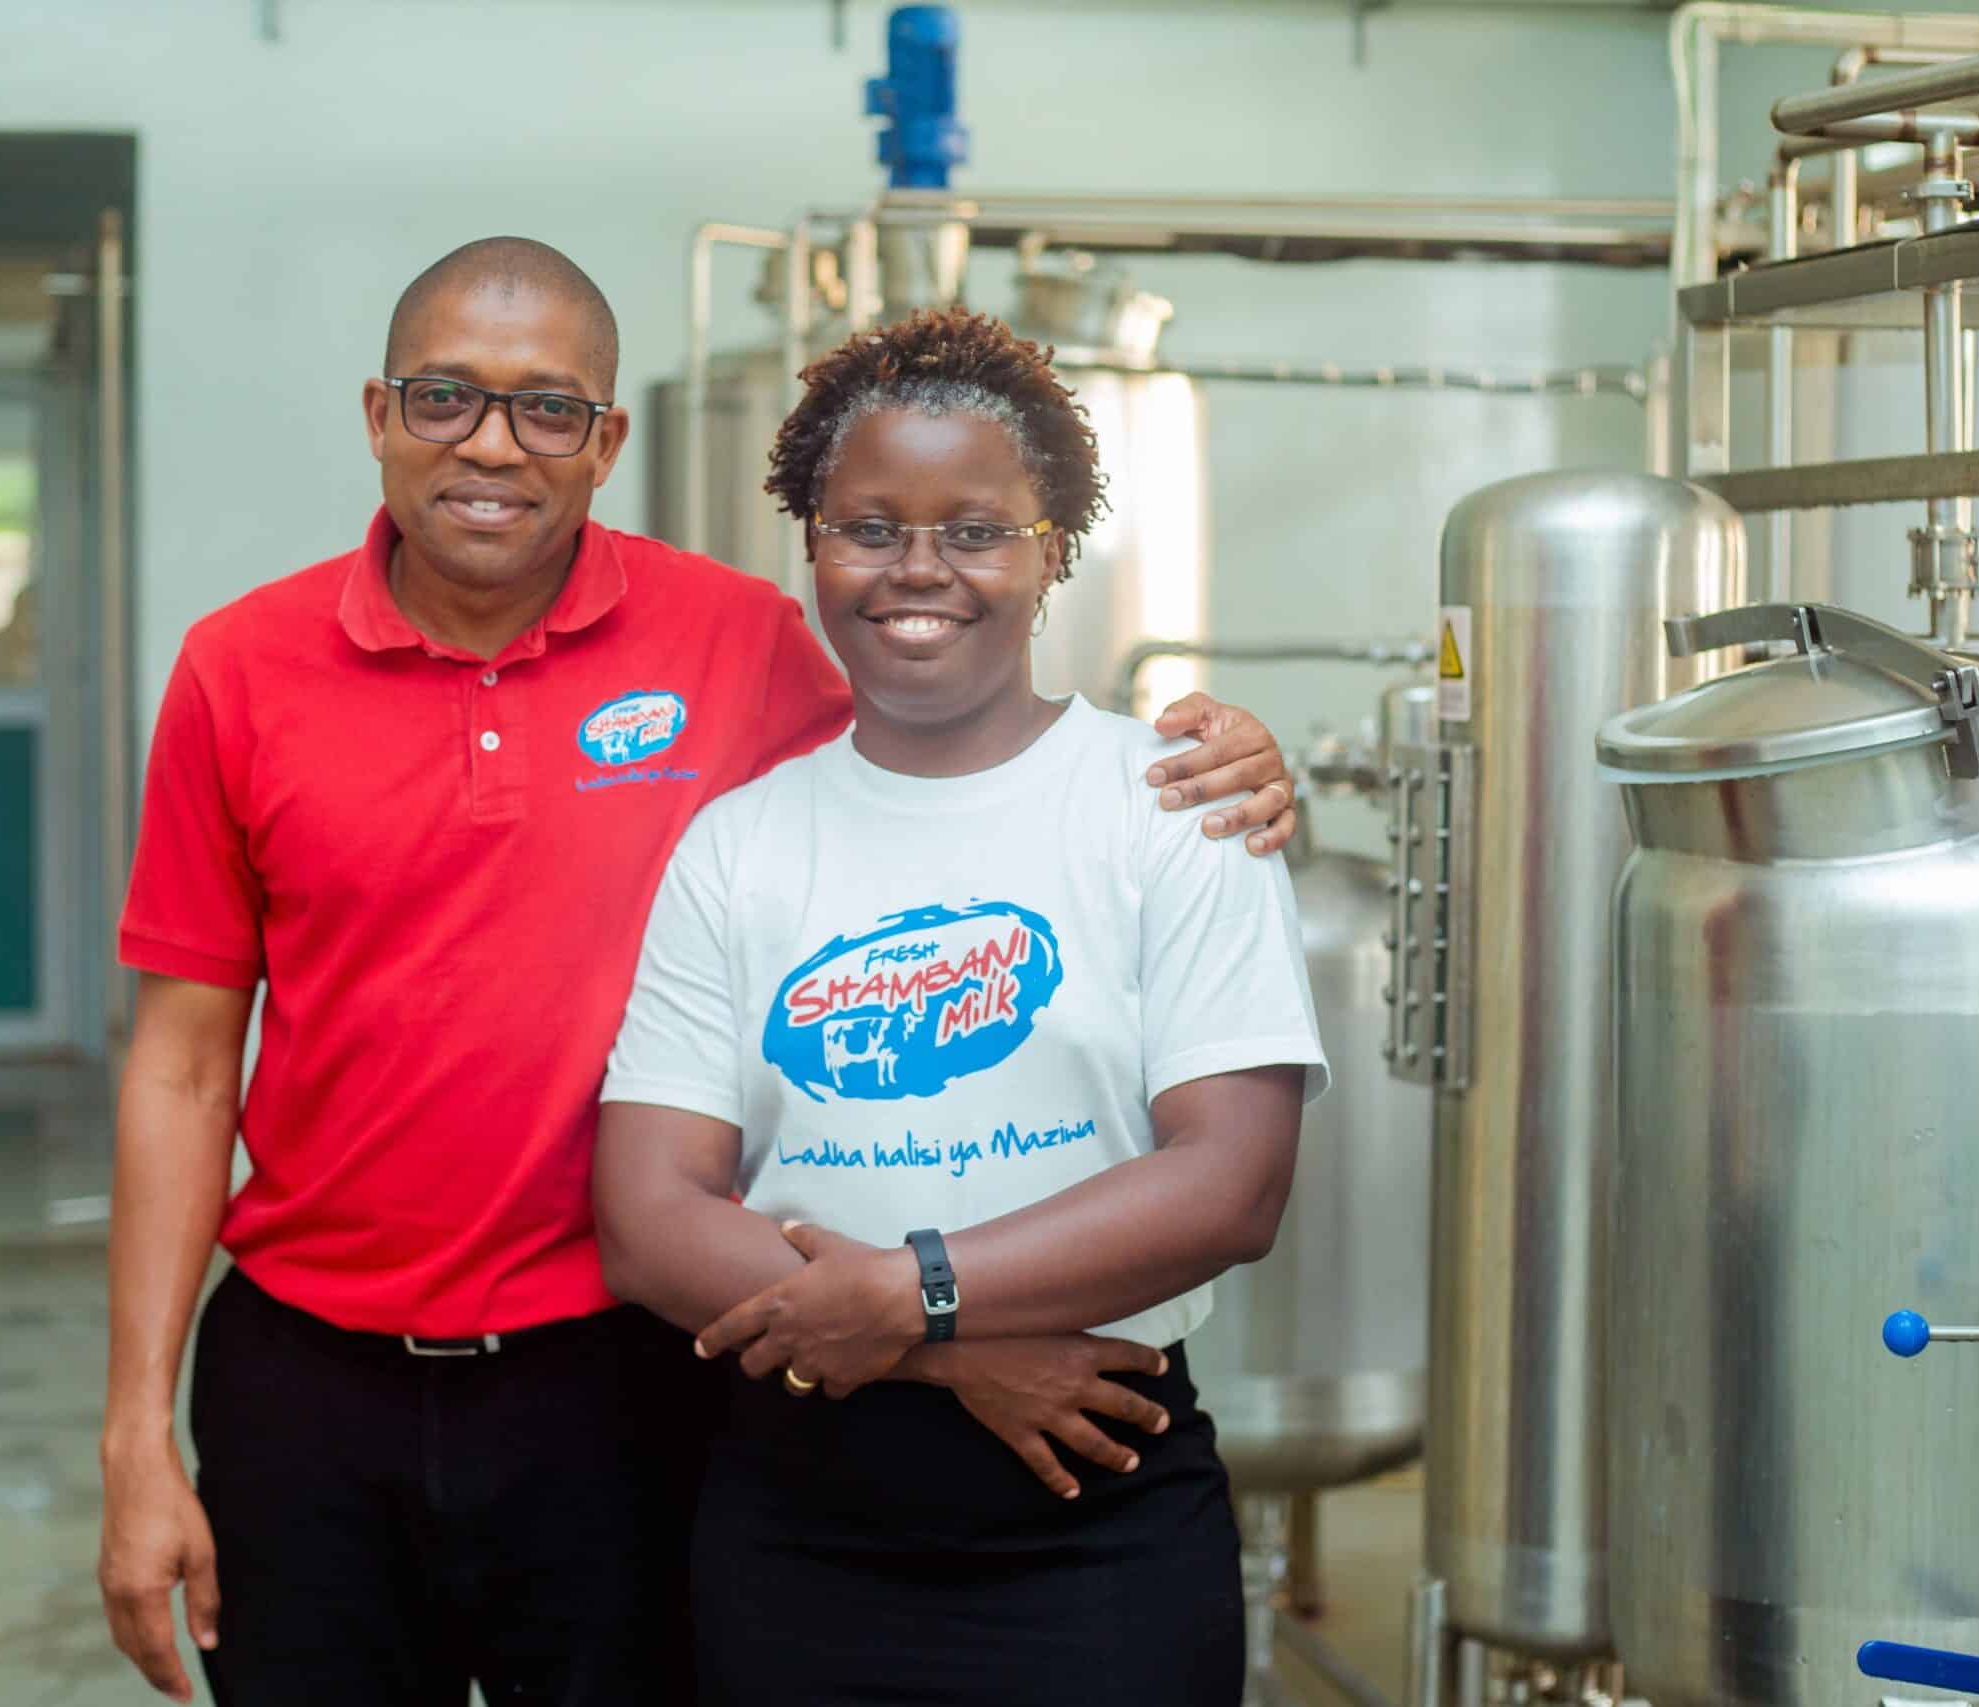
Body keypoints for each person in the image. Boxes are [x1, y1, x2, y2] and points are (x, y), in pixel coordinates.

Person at [95, 238, 1305, 1707]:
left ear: (607, 443)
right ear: (377, 414)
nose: (491, 445)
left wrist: (1221, 770)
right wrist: (133, 1435)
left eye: (548, 409)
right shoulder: (240, 670)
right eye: (444, 399)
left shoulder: (735, 646)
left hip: (625, 1379)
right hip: (307, 1374)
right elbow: (179, 1065)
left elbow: (945, 776)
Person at [594, 305, 1327, 1707]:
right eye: (869, 526)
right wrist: (941, 1343)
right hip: (796, 1523)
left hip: (1098, 1509)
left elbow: (1232, 1182)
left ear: (1052, 554)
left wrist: (909, 1287)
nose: (918, 569)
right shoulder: (740, 843)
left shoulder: (1172, 806)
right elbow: (647, 1215)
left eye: (976, 529)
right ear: (812, 542)